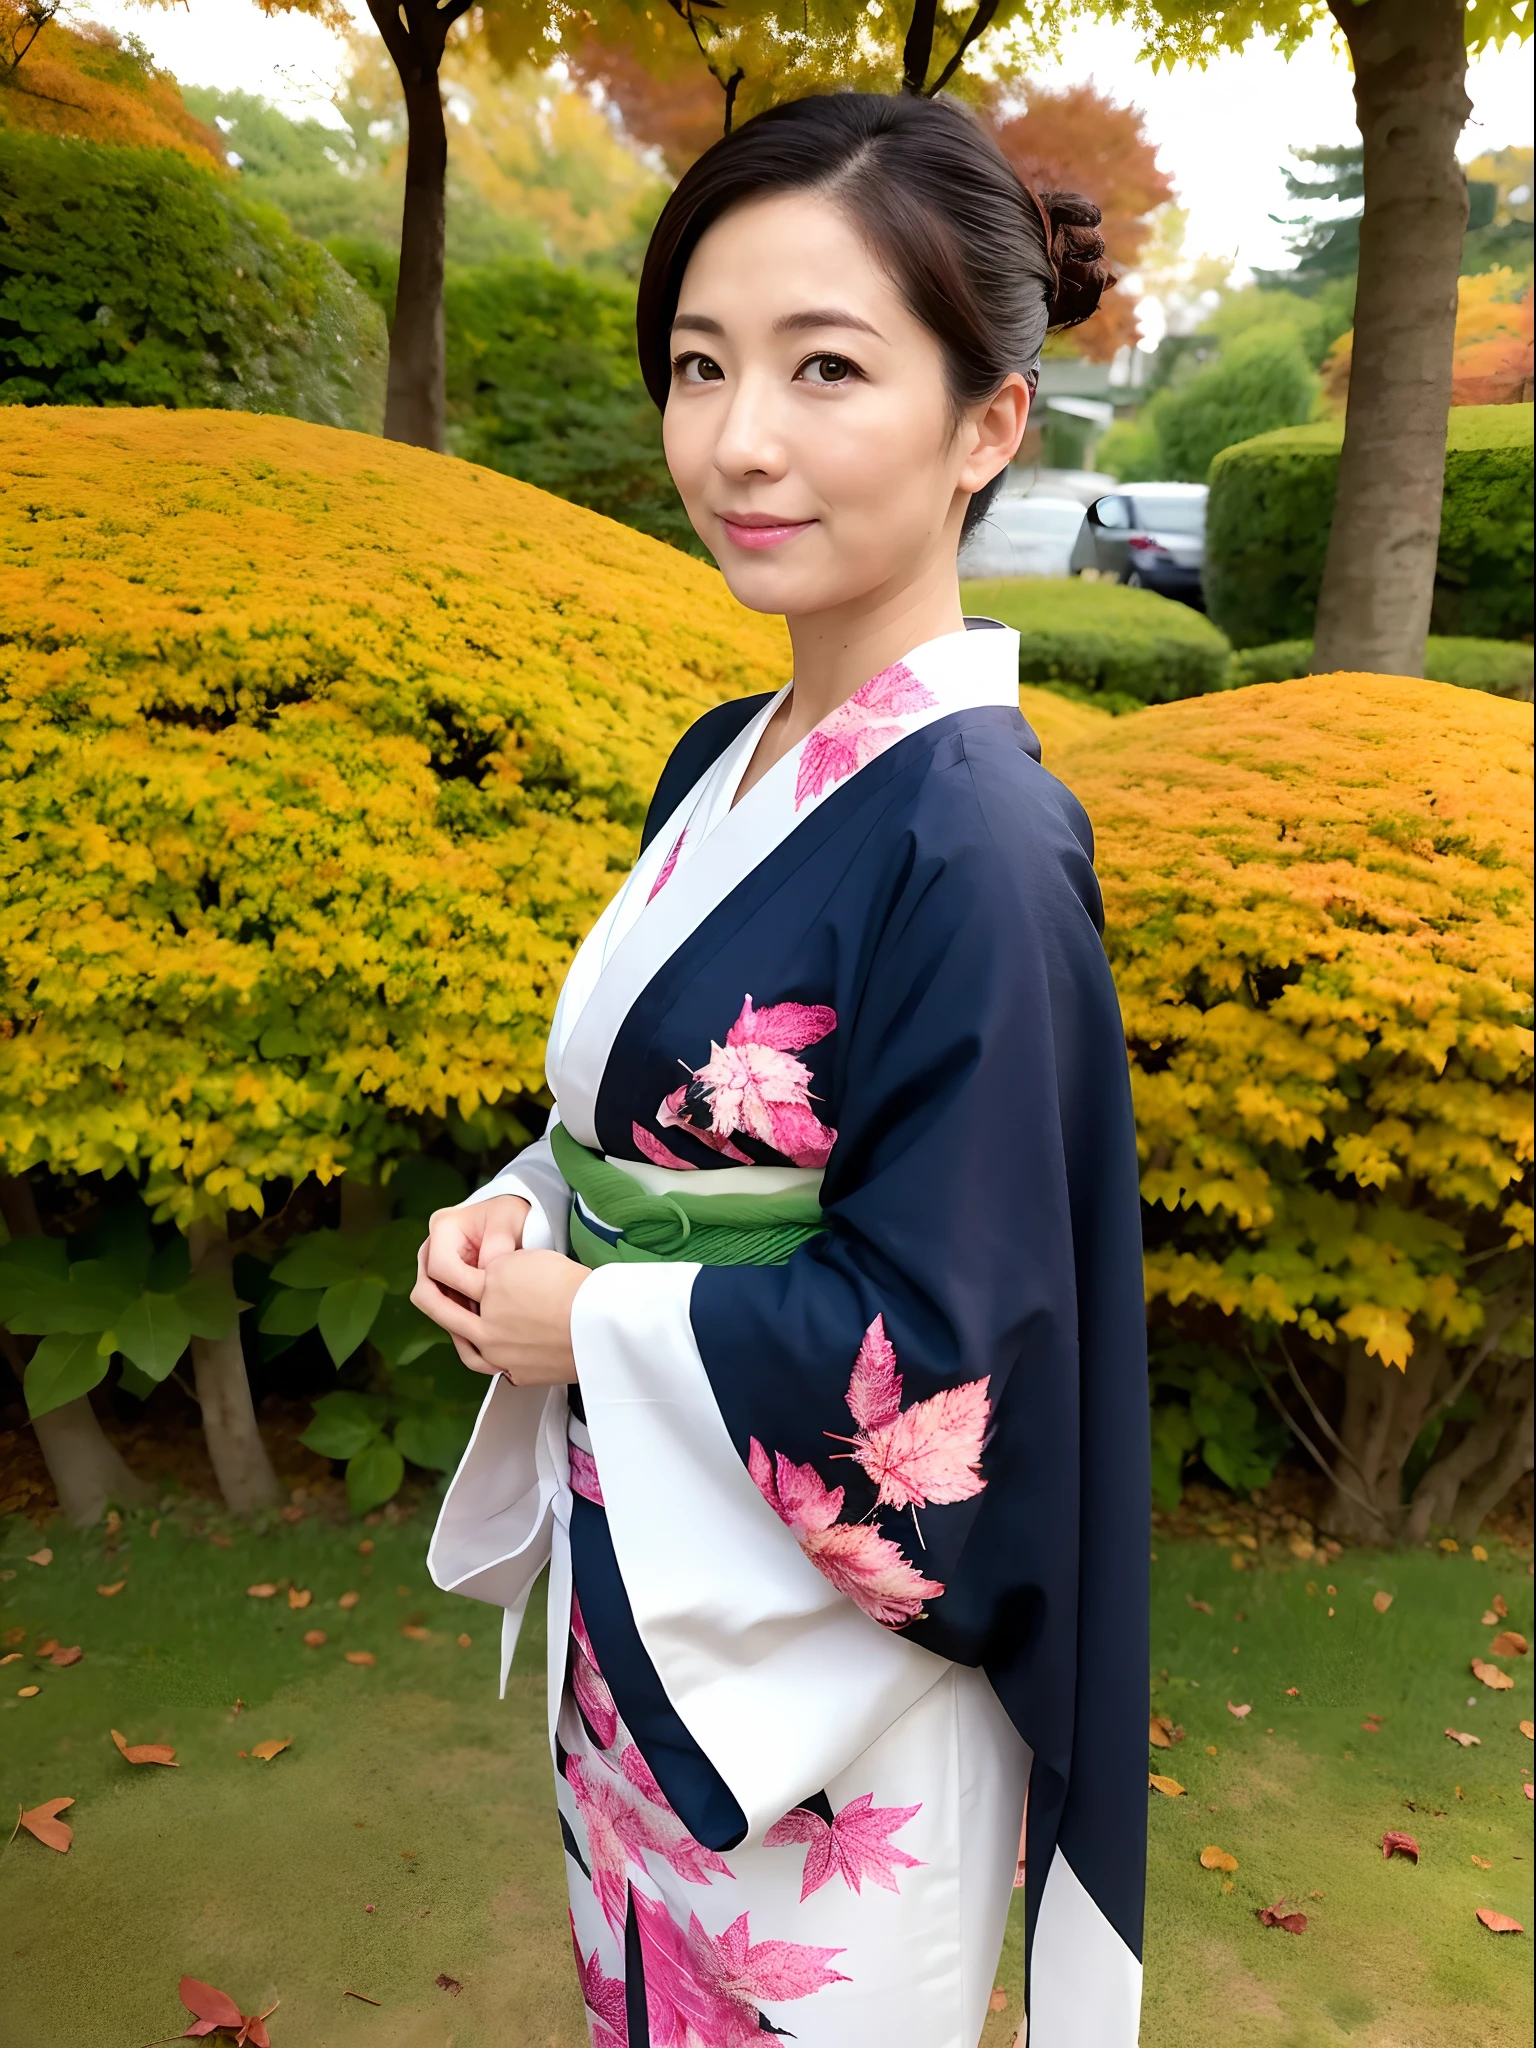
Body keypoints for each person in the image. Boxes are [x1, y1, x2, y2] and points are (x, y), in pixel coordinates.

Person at [413, 89, 1149, 2048]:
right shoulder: (720, 758)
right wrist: (512, 1215)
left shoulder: (979, 843)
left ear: (990, 420)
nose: (739, 439)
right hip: (652, 1617)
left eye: (828, 367)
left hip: (839, 1709)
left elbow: (955, 1357)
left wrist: (598, 1325)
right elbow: (631, 1128)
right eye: (701, 365)